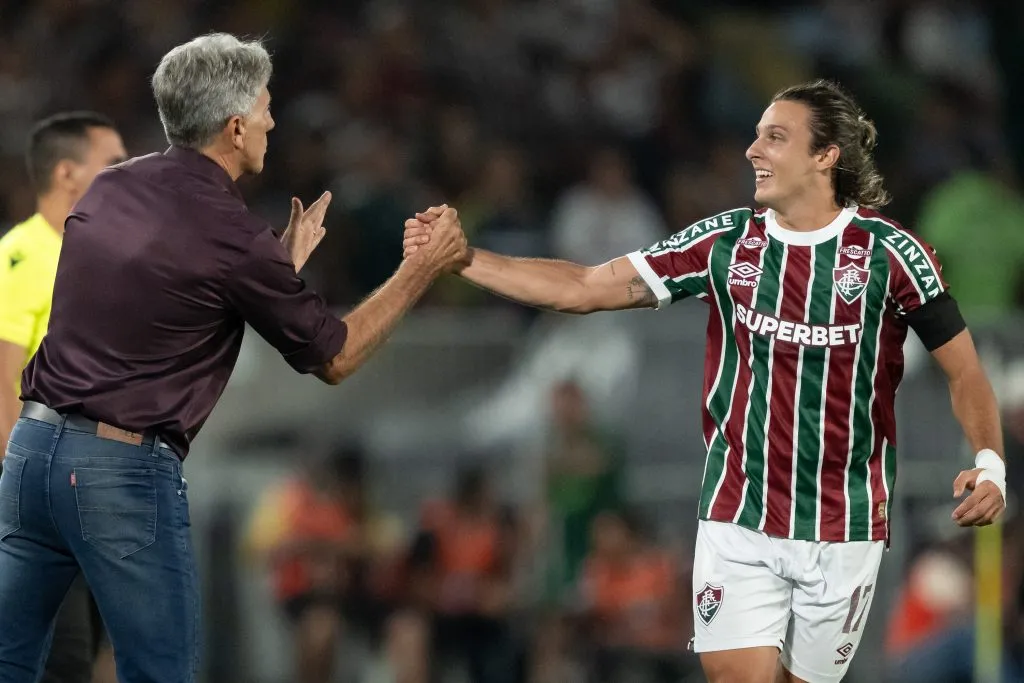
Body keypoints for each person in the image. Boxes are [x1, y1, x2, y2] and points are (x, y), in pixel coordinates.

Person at [404, 79, 1007, 683]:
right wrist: (463, 259)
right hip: (738, 512)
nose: (753, 150)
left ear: (826, 156)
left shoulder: (892, 255)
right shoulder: (726, 243)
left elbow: (965, 372)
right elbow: (585, 287)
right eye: (755, 135)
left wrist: (990, 461)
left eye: (775, 136)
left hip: (843, 523)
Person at [0, 33, 466, 683]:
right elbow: (335, 356)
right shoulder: (231, 235)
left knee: (10, 664)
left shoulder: (109, 188)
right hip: (119, 470)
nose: (274, 120)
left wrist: (273, 273)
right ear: (237, 125)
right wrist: (422, 268)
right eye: (267, 107)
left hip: (31, 454)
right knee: (161, 672)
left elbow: (157, 296)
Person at [0, 112, 127, 683]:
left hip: (91, 481)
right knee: (64, 651)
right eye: (114, 163)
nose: (128, 173)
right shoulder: (22, 257)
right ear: (68, 173)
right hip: (42, 487)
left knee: (101, 645)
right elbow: (2, 378)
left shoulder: (93, 252)